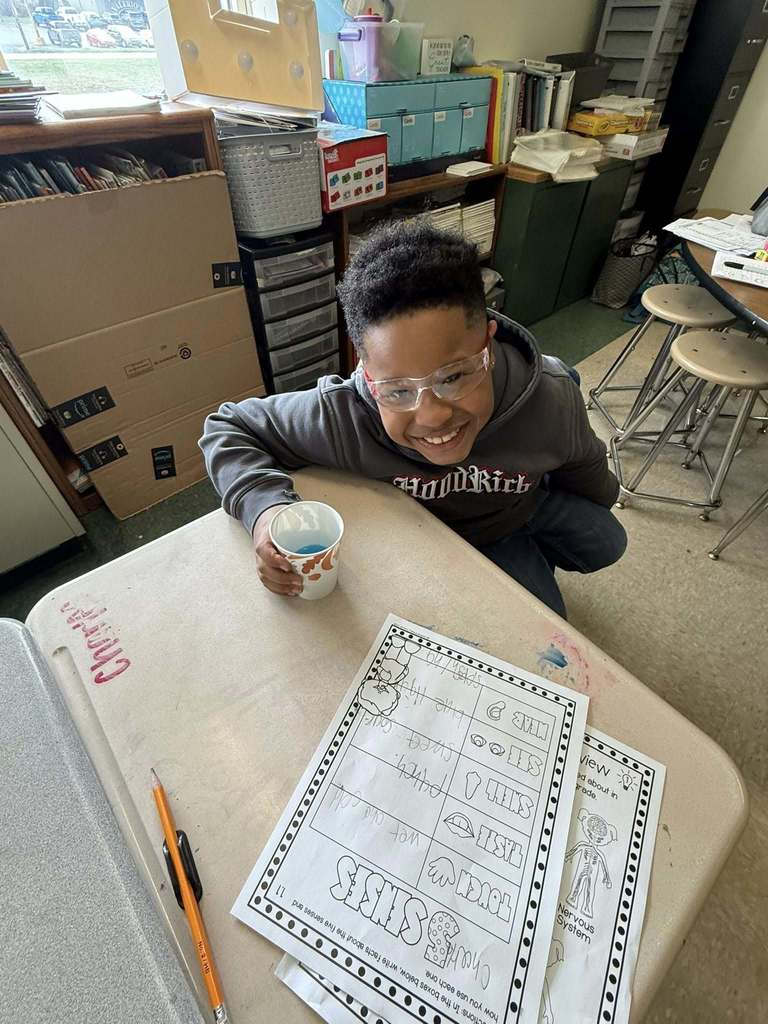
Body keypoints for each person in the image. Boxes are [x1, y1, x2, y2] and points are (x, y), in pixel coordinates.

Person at [199, 223, 626, 618]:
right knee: (536, 628)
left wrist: (595, 492)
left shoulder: (550, 396)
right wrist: (265, 512)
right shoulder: (346, 413)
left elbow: (584, 464)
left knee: (608, 541)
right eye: (398, 390)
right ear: (369, 376)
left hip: (516, 513)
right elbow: (230, 427)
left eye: (454, 376)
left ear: (488, 343)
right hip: (425, 537)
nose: (433, 415)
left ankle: (535, 550)